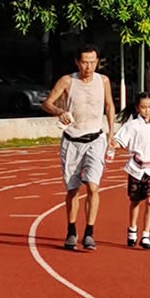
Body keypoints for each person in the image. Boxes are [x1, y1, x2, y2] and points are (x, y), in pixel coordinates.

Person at [45, 43, 113, 253]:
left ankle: (90, 233)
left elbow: (109, 105)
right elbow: (47, 103)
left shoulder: (103, 81)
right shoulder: (67, 80)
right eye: (85, 62)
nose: (89, 66)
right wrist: (58, 111)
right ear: (77, 62)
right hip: (72, 140)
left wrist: (111, 134)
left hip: (96, 139)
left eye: (93, 62)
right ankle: (71, 230)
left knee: (93, 186)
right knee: (73, 189)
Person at [115, 92, 150, 248]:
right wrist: (114, 145)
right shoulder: (132, 125)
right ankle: (132, 229)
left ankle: (146, 235)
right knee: (135, 201)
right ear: (138, 108)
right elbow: (120, 140)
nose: (147, 110)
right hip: (136, 169)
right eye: (144, 107)